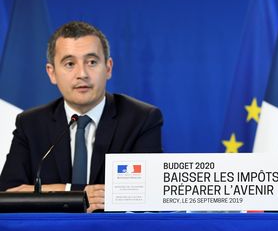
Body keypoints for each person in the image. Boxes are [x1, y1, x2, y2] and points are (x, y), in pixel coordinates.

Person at [0, 21, 163, 212]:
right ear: (51, 73)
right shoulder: (30, 124)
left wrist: (47, 192)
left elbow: (146, 194)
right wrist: (77, 193)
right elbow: (8, 194)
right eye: (70, 64)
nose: (82, 74)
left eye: (92, 62)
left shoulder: (141, 119)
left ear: (108, 68)